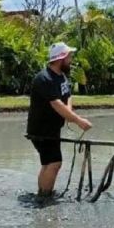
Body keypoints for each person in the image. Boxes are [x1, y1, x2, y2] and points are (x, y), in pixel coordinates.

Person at [27, 42, 92, 198]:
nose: (71, 60)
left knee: (48, 163)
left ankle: (42, 193)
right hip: (42, 130)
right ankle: (45, 198)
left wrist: (68, 113)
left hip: (52, 129)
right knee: (54, 163)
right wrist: (78, 121)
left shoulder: (61, 76)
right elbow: (56, 104)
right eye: (69, 56)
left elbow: (67, 96)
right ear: (60, 58)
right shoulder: (44, 79)